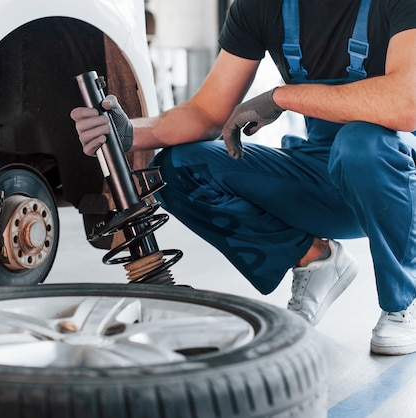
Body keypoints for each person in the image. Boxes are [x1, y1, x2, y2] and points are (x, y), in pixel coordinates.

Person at [71, 0, 416, 356]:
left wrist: (283, 97)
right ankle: (314, 258)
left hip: (401, 182)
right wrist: (132, 134)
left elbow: (406, 104)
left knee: (361, 145)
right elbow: (207, 113)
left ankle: (402, 302)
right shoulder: (261, 7)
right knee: (179, 167)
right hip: (325, 178)